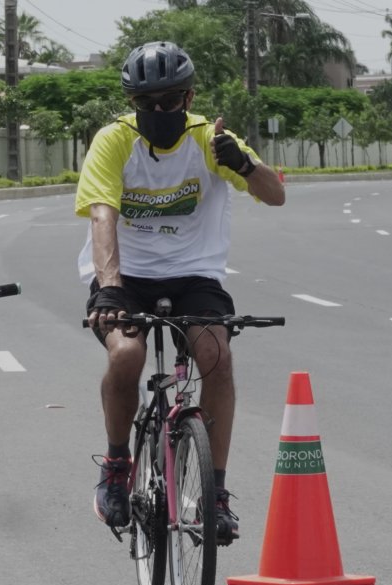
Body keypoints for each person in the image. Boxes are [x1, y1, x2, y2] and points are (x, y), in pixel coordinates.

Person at [77, 41, 285, 543]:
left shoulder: (212, 140)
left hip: (194, 275)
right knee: (126, 354)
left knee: (216, 356)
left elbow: (275, 195)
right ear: (133, 102)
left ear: (189, 97)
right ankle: (116, 464)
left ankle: (214, 492)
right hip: (126, 277)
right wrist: (109, 288)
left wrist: (244, 164)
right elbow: (103, 213)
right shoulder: (113, 140)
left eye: (169, 101)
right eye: (145, 103)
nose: (158, 111)